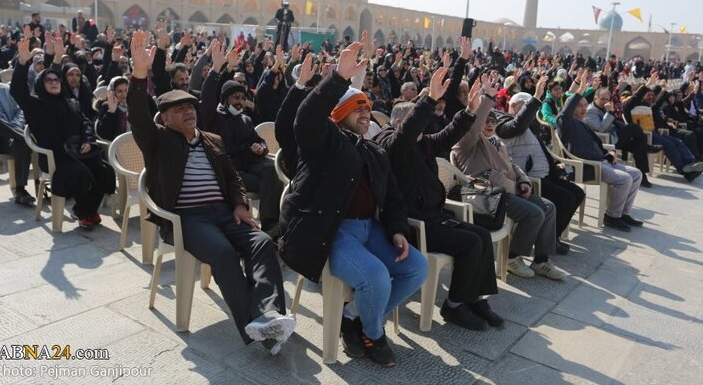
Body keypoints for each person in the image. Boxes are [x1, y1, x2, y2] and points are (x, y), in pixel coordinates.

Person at [126, 31, 294, 354]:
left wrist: (241, 204)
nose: (189, 111)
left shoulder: (212, 140)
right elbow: (137, 115)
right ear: (165, 119)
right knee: (223, 253)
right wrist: (139, 74)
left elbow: (233, 179)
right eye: (179, 109)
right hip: (189, 219)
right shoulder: (158, 141)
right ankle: (262, 327)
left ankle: (269, 314)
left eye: (191, 106)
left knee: (262, 243)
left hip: (224, 213)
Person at [279, 42, 428, 367]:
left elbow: (392, 198)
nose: (365, 113)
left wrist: (398, 230)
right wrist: (338, 80)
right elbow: (304, 119)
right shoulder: (325, 143)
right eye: (357, 108)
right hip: (332, 231)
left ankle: (353, 317)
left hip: (369, 229)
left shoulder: (374, 151)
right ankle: (373, 334)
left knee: (417, 268)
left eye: (367, 108)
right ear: (339, 115)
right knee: (376, 276)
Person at [374, 67, 503, 331]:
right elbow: (405, 135)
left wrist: (470, 111)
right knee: (469, 243)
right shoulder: (390, 143)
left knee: (482, 236)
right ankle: (454, 305)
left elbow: (449, 134)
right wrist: (429, 99)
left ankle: (476, 298)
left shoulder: (422, 142)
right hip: (413, 225)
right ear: (401, 122)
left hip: (435, 217)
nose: (424, 129)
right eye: (418, 123)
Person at [451, 74, 565, 281]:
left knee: (548, 207)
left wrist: (523, 180)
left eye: (493, 121)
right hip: (490, 194)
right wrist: (487, 99)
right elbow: (475, 128)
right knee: (534, 214)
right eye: (486, 121)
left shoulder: (496, 141)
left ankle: (541, 260)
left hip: (513, 188)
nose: (490, 125)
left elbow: (512, 164)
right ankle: (513, 257)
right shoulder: (465, 143)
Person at [10, 37, 115, 230]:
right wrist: (23, 63)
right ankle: (86, 212)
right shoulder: (35, 105)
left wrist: (89, 141)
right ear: (42, 84)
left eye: (56, 79)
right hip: (56, 157)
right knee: (82, 174)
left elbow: (85, 123)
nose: (53, 82)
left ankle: (83, 210)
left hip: (77, 151)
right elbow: (17, 90)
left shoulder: (71, 102)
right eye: (48, 80)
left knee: (104, 170)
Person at [200, 41, 283, 233]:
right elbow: (207, 95)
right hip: (229, 172)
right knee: (270, 180)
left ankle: (272, 225)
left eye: (242, 97)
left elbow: (258, 140)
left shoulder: (245, 119)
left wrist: (261, 148)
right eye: (235, 97)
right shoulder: (214, 118)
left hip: (250, 165)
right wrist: (215, 69)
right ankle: (266, 225)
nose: (240, 102)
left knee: (274, 172)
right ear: (225, 99)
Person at [494, 79, 585, 254]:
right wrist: (535, 97)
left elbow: (540, 148)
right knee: (566, 198)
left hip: (546, 173)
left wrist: (555, 163)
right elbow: (517, 126)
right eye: (526, 106)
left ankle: (552, 236)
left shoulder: (529, 124)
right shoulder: (503, 121)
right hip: (530, 177)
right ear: (513, 107)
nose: (531, 111)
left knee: (577, 193)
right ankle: (548, 241)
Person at [557, 80, 645, 232]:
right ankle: (612, 216)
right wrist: (579, 91)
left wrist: (609, 152)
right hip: (588, 165)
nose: (584, 108)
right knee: (624, 179)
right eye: (579, 105)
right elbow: (566, 112)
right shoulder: (566, 122)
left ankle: (623, 213)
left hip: (602, 161)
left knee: (636, 174)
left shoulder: (583, 123)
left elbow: (596, 144)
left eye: (585, 105)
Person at [0, 54, 34, 204]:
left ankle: (20, 190)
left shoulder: (4, 88)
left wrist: (16, 125)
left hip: (7, 135)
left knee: (21, 144)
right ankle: (26, 137)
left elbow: (19, 111)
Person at [585, 87, 660, 187]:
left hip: (614, 136)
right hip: (606, 140)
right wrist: (610, 112)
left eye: (607, 99)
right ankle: (647, 147)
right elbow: (601, 129)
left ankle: (642, 175)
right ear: (595, 98)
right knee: (634, 127)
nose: (605, 102)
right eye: (602, 99)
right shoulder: (591, 111)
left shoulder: (602, 108)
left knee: (639, 145)